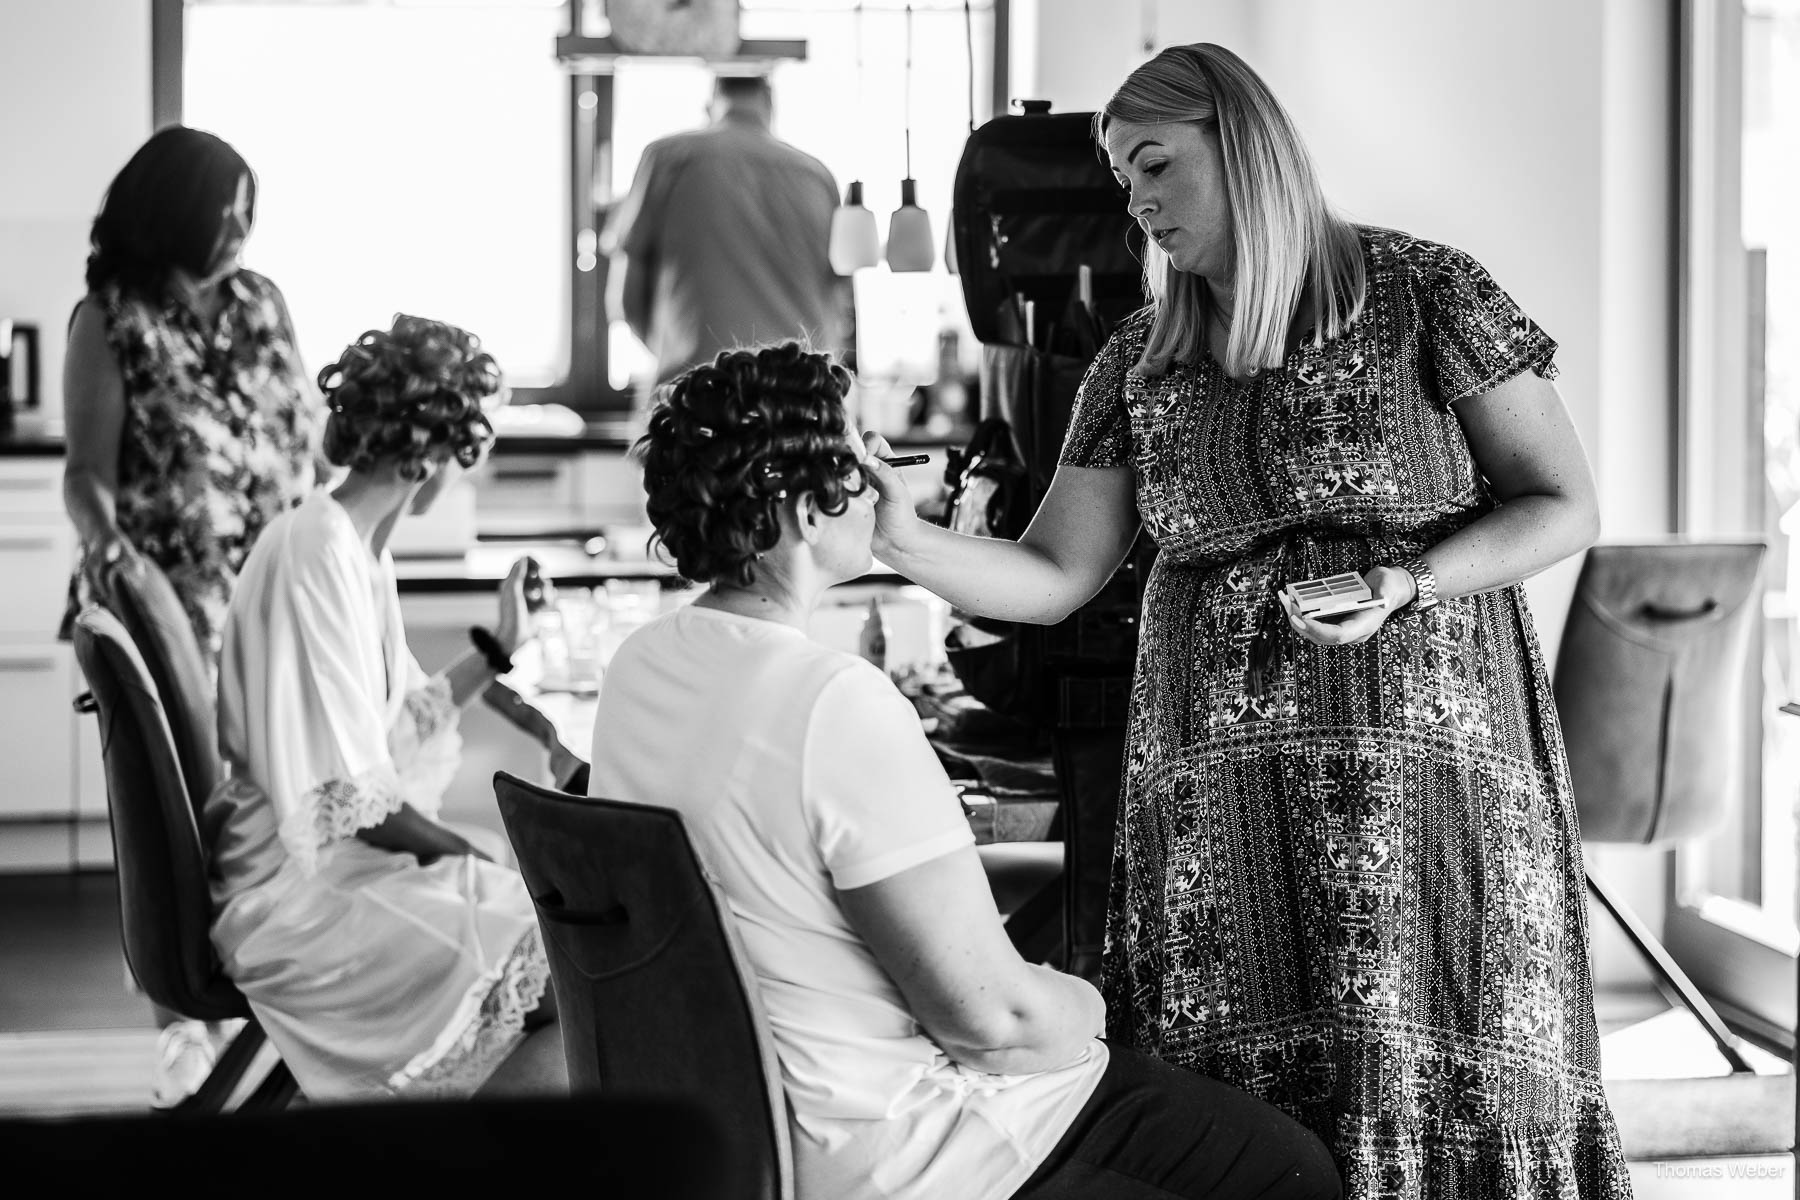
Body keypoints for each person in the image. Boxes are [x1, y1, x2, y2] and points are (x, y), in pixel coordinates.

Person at [859, 43, 1634, 1200]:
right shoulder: (1139, 359)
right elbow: (1056, 575)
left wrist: (1408, 583)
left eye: (1158, 165)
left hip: (1434, 796)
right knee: (1246, 1118)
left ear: (1244, 143)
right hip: (1218, 814)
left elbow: (1562, 502)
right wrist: (903, 540)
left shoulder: (1430, 292)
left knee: (1450, 1070)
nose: (1139, 203)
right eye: (1125, 180)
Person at [588, 342, 1341, 1200]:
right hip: (896, 1146)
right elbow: (994, 1026)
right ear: (806, 510)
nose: (876, 469)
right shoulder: (833, 699)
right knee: (1289, 1167)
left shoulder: (642, 665)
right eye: (855, 448)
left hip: (730, 1121)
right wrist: (1097, 1005)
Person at [204, 315, 563, 1101]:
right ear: (433, 452)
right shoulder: (317, 551)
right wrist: (483, 859)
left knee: (561, 957)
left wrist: (499, 647)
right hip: (295, 896)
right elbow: (355, 801)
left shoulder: (356, 548)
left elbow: (387, 735)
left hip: (331, 869)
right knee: (565, 973)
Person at [59, 125, 323, 1107]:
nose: (242, 230)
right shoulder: (112, 319)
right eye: (226, 211)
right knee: (183, 822)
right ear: (171, 212)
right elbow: (87, 476)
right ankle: (183, 1030)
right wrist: (110, 554)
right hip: (174, 605)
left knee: (282, 804)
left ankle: (285, 993)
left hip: (275, 594)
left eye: (251, 211)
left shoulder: (262, 303)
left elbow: (307, 433)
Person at [602, 74, 844, 398]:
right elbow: (840, 305)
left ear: (712, 102)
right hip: (798, 408)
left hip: (697, 404)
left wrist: (680, 358)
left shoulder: (669, 157)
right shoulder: (817, 176)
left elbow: (624, 300)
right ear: (769, 102)